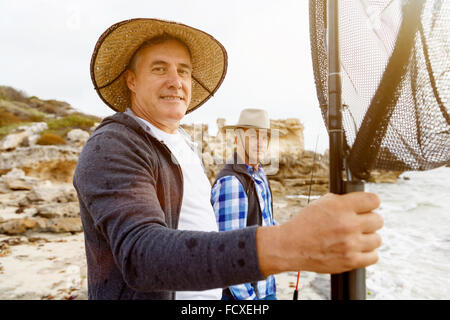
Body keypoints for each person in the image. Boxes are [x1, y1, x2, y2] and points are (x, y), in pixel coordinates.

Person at [73, 18, 384, 300]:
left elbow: (207, 231)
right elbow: (141, 256)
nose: (175, 80)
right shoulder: (113, 145)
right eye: (159, 68)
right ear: (131, 80)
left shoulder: (185, 144)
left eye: (183, 71)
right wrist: (288, 244)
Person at [211, 108, 278, 300]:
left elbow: (266, 224)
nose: (260, 143)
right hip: (244, 296)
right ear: (236, 140)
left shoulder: (260, 174)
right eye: (252, 136)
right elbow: (228, 255)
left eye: (264, 137)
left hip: (266, 287)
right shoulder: (231, 183)